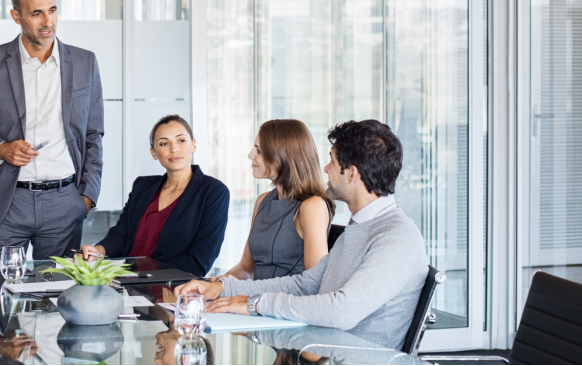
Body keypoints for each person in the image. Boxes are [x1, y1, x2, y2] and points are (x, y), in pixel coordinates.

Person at [174, 119, 429, 351]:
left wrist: (255, 304)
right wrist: (223, 289)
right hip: (323, 349)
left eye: (332, 161)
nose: (326, 168)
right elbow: (305, 283)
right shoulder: (360, 226)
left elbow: (343, 310)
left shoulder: (397, 236)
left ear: (351, 173)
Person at [0, 0, 104, 262]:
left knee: (55, 297)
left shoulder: (85, 62)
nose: (47, 21)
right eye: (36, 13)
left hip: (64, 201)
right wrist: (2, 149)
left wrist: (87, 196)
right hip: (8, 200)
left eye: (52, 10)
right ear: (16, 16)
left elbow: (93, 134)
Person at [79, 115, 229, 276]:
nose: (174, 149)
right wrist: (98, 251)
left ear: (193, 145)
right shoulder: (143, 186)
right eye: (164, 143)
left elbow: (199, 260)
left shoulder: (213, 192)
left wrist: (141, 275)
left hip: (169, 289)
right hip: (122, 283)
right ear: (154, 153)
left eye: (181, 140)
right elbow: (121, 234)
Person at [222, 119, 333, 280]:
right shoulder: (263, 201)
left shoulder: (312, 206)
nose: (250, 155)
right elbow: (246, 269)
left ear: (284, 156)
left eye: (259, 151)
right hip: (253, 299)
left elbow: (313, 282)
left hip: (281, 303)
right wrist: (215, 284)